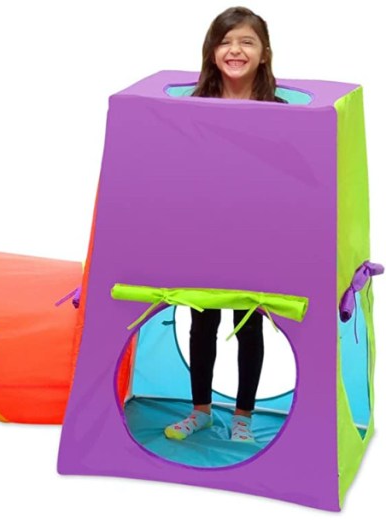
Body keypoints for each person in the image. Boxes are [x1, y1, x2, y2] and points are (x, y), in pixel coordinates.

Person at [165, 6, 281, 444]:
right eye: (226, 41)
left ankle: (244, 418)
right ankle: (201, 410)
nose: (235, 50)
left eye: (246, 41)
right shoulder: (194, 106)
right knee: (202, 320)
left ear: (264, 53)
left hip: (255, 235)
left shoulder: (278, 110)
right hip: (203, 233)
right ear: (212, 52)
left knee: (249, 322)